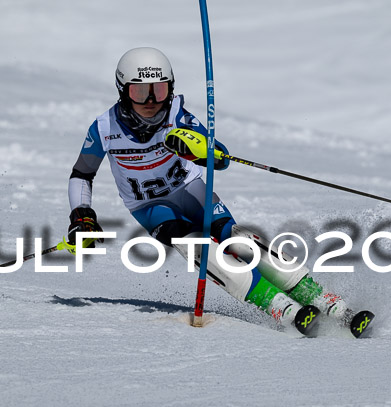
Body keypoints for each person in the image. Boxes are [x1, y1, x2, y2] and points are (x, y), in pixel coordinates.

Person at [65, 47, 369, 337]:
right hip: (152, 207)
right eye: (139, 91)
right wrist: (82, 215)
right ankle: (280, 307)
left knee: (238, 241)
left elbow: (220, 157)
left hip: (191, 190)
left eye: (159, 90)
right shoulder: (104, 128)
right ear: (123, 89)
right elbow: (82, 174)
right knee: (198, 247)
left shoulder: (178, 117)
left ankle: (329, 304)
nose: (150, 101)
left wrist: (202, 152)